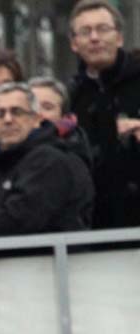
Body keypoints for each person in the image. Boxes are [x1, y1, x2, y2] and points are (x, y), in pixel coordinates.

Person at [0, 83, 94, 238]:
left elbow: (22, 218)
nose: (8, 119)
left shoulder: (50, 160)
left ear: (35, 119)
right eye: (0, 114)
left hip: (51, 260)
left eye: (17, 112)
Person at [67, 0, 140, 229]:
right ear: (74, 44)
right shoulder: (71, 96)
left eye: (103, 29)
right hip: (95, 227)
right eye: (85, 31)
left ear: (119, 37)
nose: (94, 37)